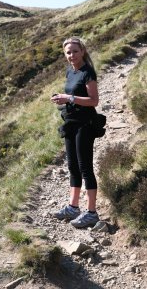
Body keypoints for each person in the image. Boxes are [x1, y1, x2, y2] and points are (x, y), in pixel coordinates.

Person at [51, 37, 99, 228]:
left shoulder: (88, 72)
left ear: (83, 52)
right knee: (72, 166)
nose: (71, 55)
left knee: (85, 166)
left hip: (85, 124)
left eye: (75, 51)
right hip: (71, 122)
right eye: (68, 52)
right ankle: (73, 207)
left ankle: (92, 213)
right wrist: (62, 99)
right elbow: (73, 95)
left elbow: (94, 100)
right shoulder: (70, 71)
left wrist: (69, 98)